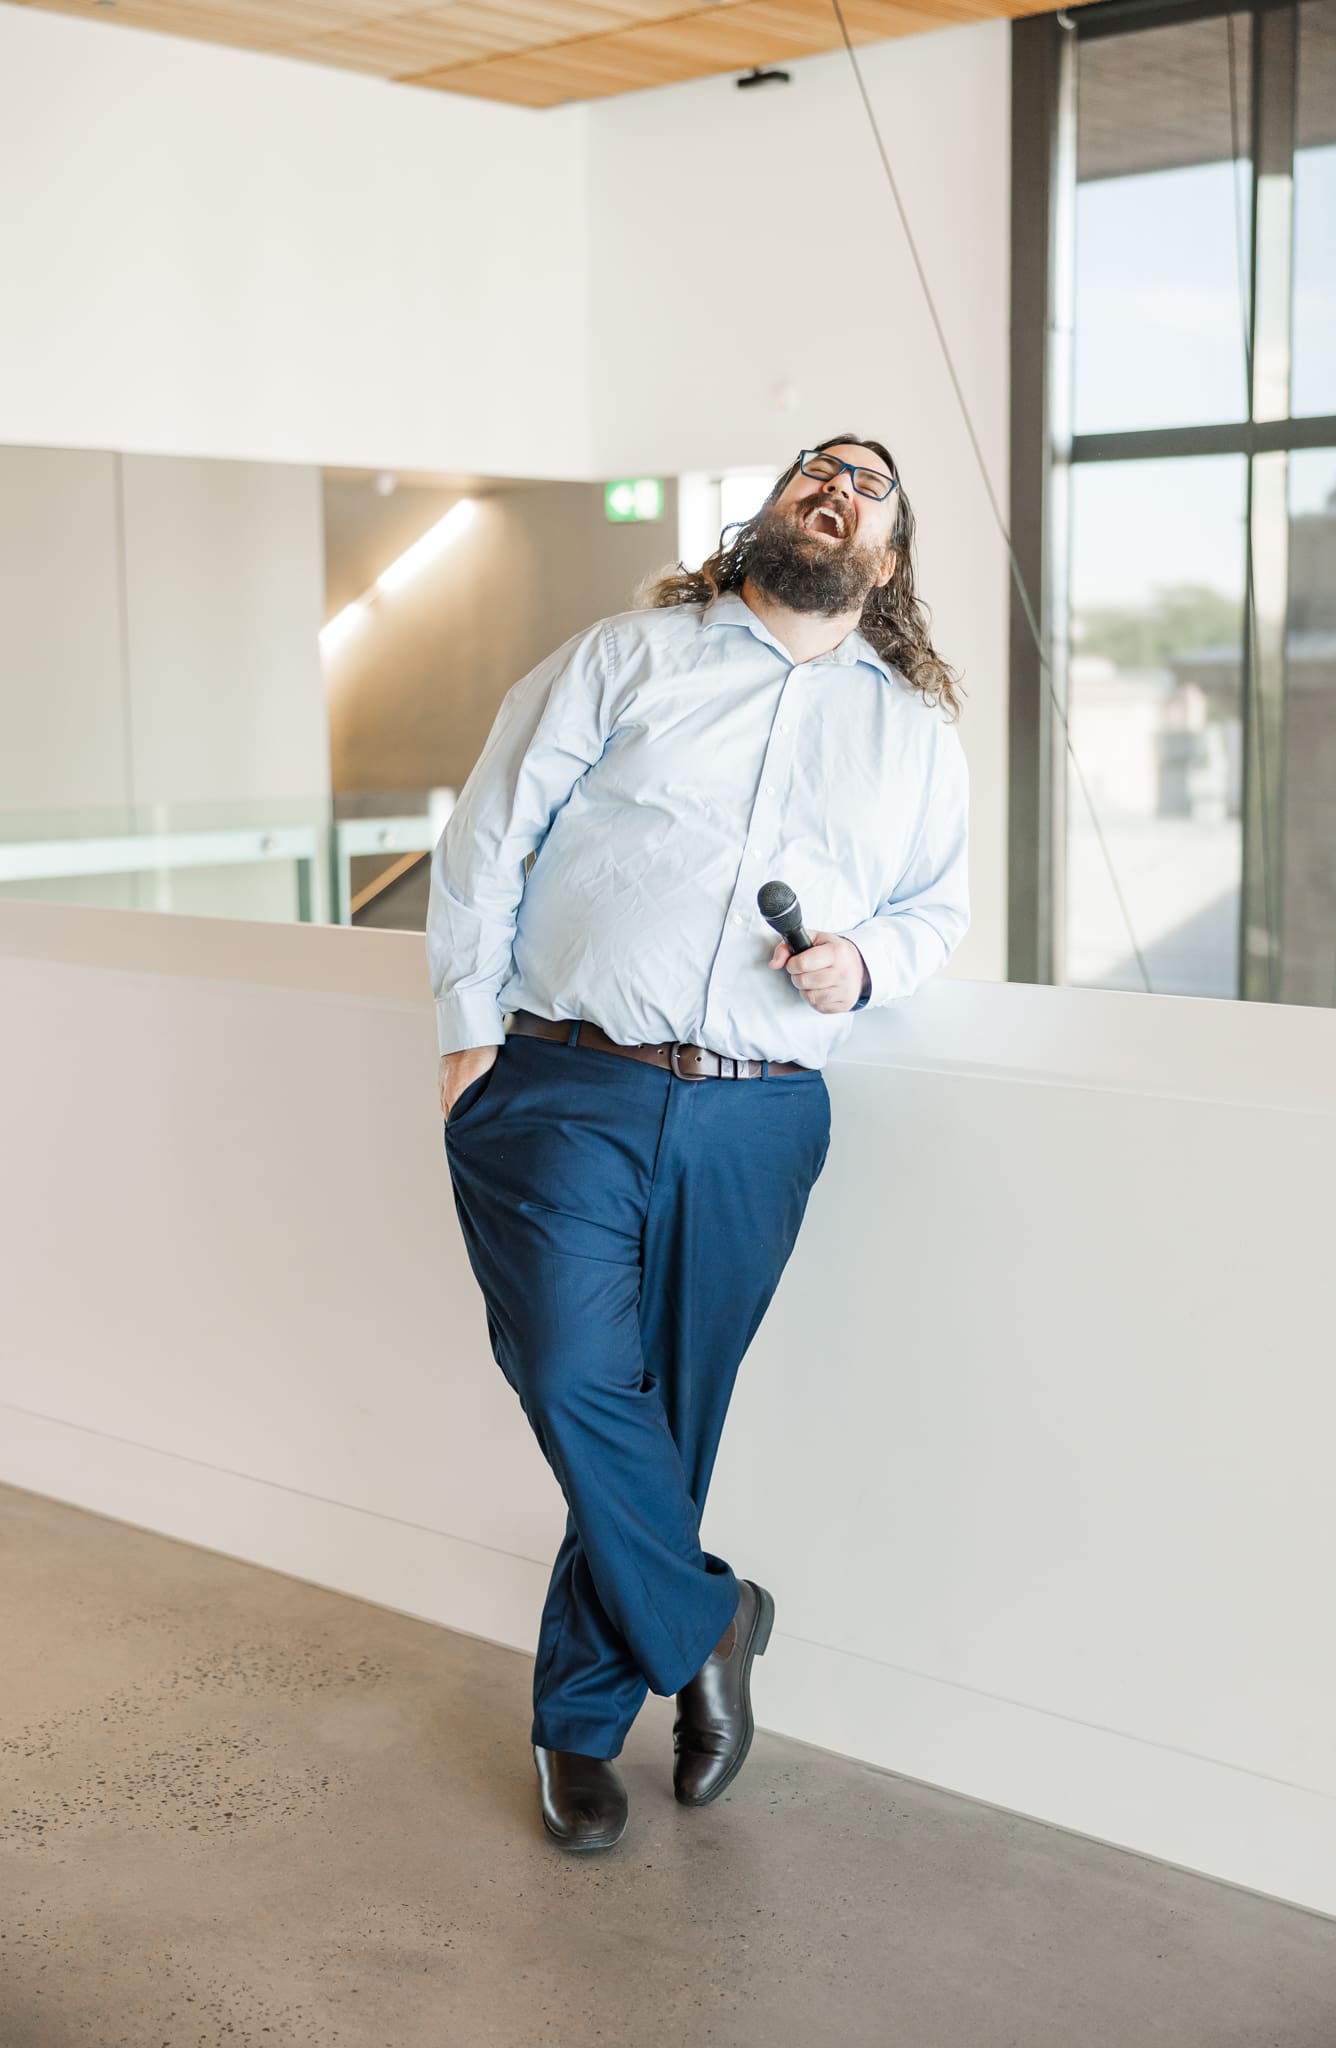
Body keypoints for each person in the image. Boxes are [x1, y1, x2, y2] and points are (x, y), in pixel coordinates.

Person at [426, 435, 970, 1853]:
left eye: (868, 485)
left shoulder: (908, 732)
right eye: (814, 468)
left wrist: (866, 961)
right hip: (563, 1083)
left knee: (669, 1424)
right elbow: (493, 832)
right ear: (767, 515)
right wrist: (464, 1029)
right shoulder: (628, 655)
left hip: (759, 1112)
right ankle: (709, 1618)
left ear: (887, 560)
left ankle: (576, 1726)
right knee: (566, 1368)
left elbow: (936, 909)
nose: (836, 485)